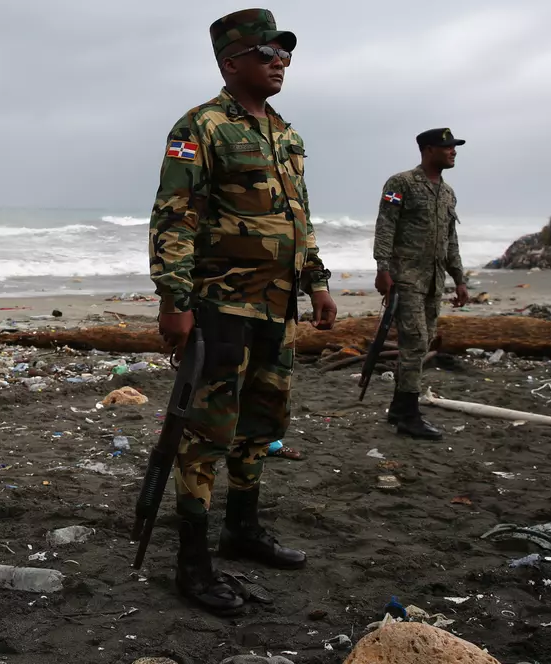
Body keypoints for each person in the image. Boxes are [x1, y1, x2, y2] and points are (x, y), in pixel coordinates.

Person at [148, 8, 336, 615]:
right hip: (221, 304)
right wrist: (174, 301)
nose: (280, 60)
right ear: (231, 62)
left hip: (276, 307)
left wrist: (318, 282)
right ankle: (193, 563)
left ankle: (243, 528)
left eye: (284, 51)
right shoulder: (199, 126)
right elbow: (176, 216)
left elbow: (298, 216)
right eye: (266, 52)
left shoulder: (285, 133)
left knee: (263, 422)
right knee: (207, 432)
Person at [372, 128, 470, 441]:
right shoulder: (401, 183)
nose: (453, 152)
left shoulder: (448, 192)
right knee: (415, 342)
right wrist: (382, 268)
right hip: (406, 276)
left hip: (434, 280)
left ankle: (399, 409)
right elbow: (385, 226)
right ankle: (409, 417)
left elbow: (450, 240)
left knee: (422, 342)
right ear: (428, 150)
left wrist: (460, 279)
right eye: (447, 147)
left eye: (455, 147)